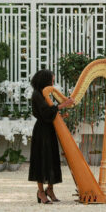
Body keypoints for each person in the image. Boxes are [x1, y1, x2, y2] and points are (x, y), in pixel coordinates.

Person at [28, 68, 74, 204]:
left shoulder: (46, 94)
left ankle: (50, 189)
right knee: (41, 160)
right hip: (41, 131)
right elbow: (45, 113)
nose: (52, 84)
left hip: (50, 129)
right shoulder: (37, 94)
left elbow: (51, 113)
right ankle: (41, 192)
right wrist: (62, 105)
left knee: (52, 159)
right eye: (51, 81)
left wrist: (60, 114)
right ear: (45, 80)